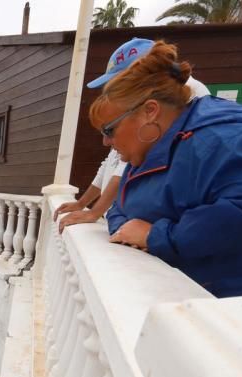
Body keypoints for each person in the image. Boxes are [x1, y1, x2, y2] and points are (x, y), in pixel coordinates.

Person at [88, 40, 242, 297]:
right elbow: (121, 209)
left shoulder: (221, 139)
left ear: (150, 112)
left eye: (109, 130)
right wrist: (132, 228)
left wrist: (157, 235)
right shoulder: (149, 150)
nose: (106, 142)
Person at [57, 38, 211, 232]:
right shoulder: (143, 110)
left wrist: (94, 212)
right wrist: (84, 205)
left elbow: (124, 165)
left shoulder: (188, 98)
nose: (111, 91)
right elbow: (113, 161)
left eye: (116, 81)